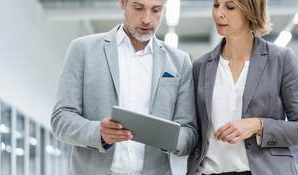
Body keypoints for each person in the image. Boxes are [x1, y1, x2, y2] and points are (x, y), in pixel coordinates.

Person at [51, 0, 198, 174]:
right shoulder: (83, 50)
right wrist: (98, 132)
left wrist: (168, 138)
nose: (146, 19)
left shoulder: (180, 62)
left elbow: (190, 132)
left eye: (156, 10)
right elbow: (61, 118)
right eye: (138, 8)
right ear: (123, 3)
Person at [187, 0, 298, 174]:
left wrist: (258, 125)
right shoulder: (201, 66)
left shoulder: (281, 59)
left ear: (250, 11)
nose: (219, 14)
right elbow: (195, 133)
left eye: (230, 7)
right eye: (216, 5)